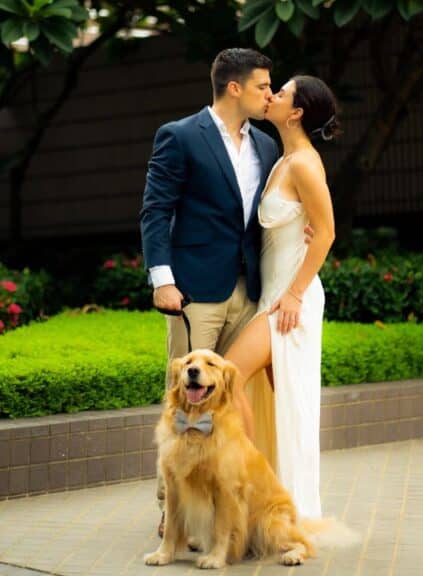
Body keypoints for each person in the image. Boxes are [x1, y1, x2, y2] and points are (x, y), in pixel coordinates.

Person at [140, 47, 278, 537]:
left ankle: (229, 500)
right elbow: (155, 210)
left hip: (249, 288)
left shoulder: (267, 144)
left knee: (231, 399)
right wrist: (163, 279)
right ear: (234, 87)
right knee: (185, 398)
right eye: (264, 85)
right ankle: (171, 507)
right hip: (193, 290)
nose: (270, 94)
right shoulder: (180, 136)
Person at [222, 74, 340, 520]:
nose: (271, 95)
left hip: (293, 301)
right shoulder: (282, 160)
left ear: (296, 113)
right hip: (274, 295)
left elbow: (327, 232)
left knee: (233, 379)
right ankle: (274, 508)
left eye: (282, 92)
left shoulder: (306, 163)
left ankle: (269, 497)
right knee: (282, 406)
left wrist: (294, 295)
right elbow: (307, 228)